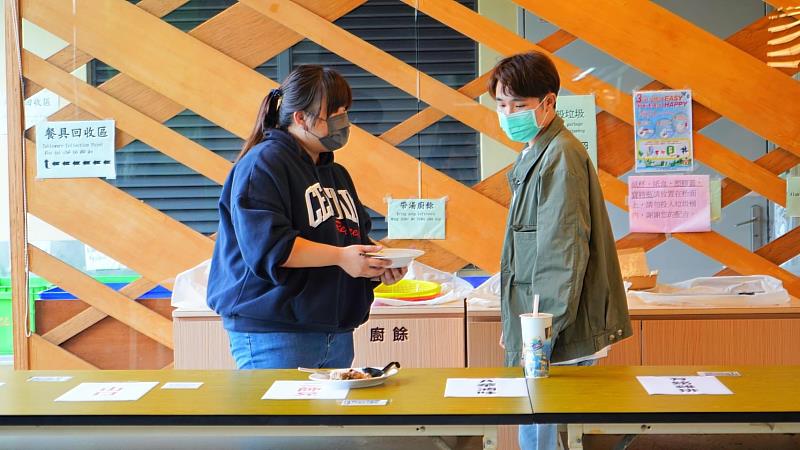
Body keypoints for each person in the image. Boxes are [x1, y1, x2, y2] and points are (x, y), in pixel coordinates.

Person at [207, 65, 406, 370]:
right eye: (335, 112)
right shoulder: (263, 163)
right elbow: (270, 247)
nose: (344, 120)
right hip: (274, 332)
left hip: (335, 333)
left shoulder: (336, 174)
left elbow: (348, 241)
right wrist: (342, 257)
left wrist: (376, 266)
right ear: (301, 118)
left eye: (345, 111)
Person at [489, 52, 633, 450]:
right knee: (544, 429)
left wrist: (536, 334)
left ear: (548, 102)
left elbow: (561, 253)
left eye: (518, 104)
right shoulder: (539, 151)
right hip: (548, 319)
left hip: (557, 325)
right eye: (501, 104)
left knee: (542, 433)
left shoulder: (560, 154)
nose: (508, 113)